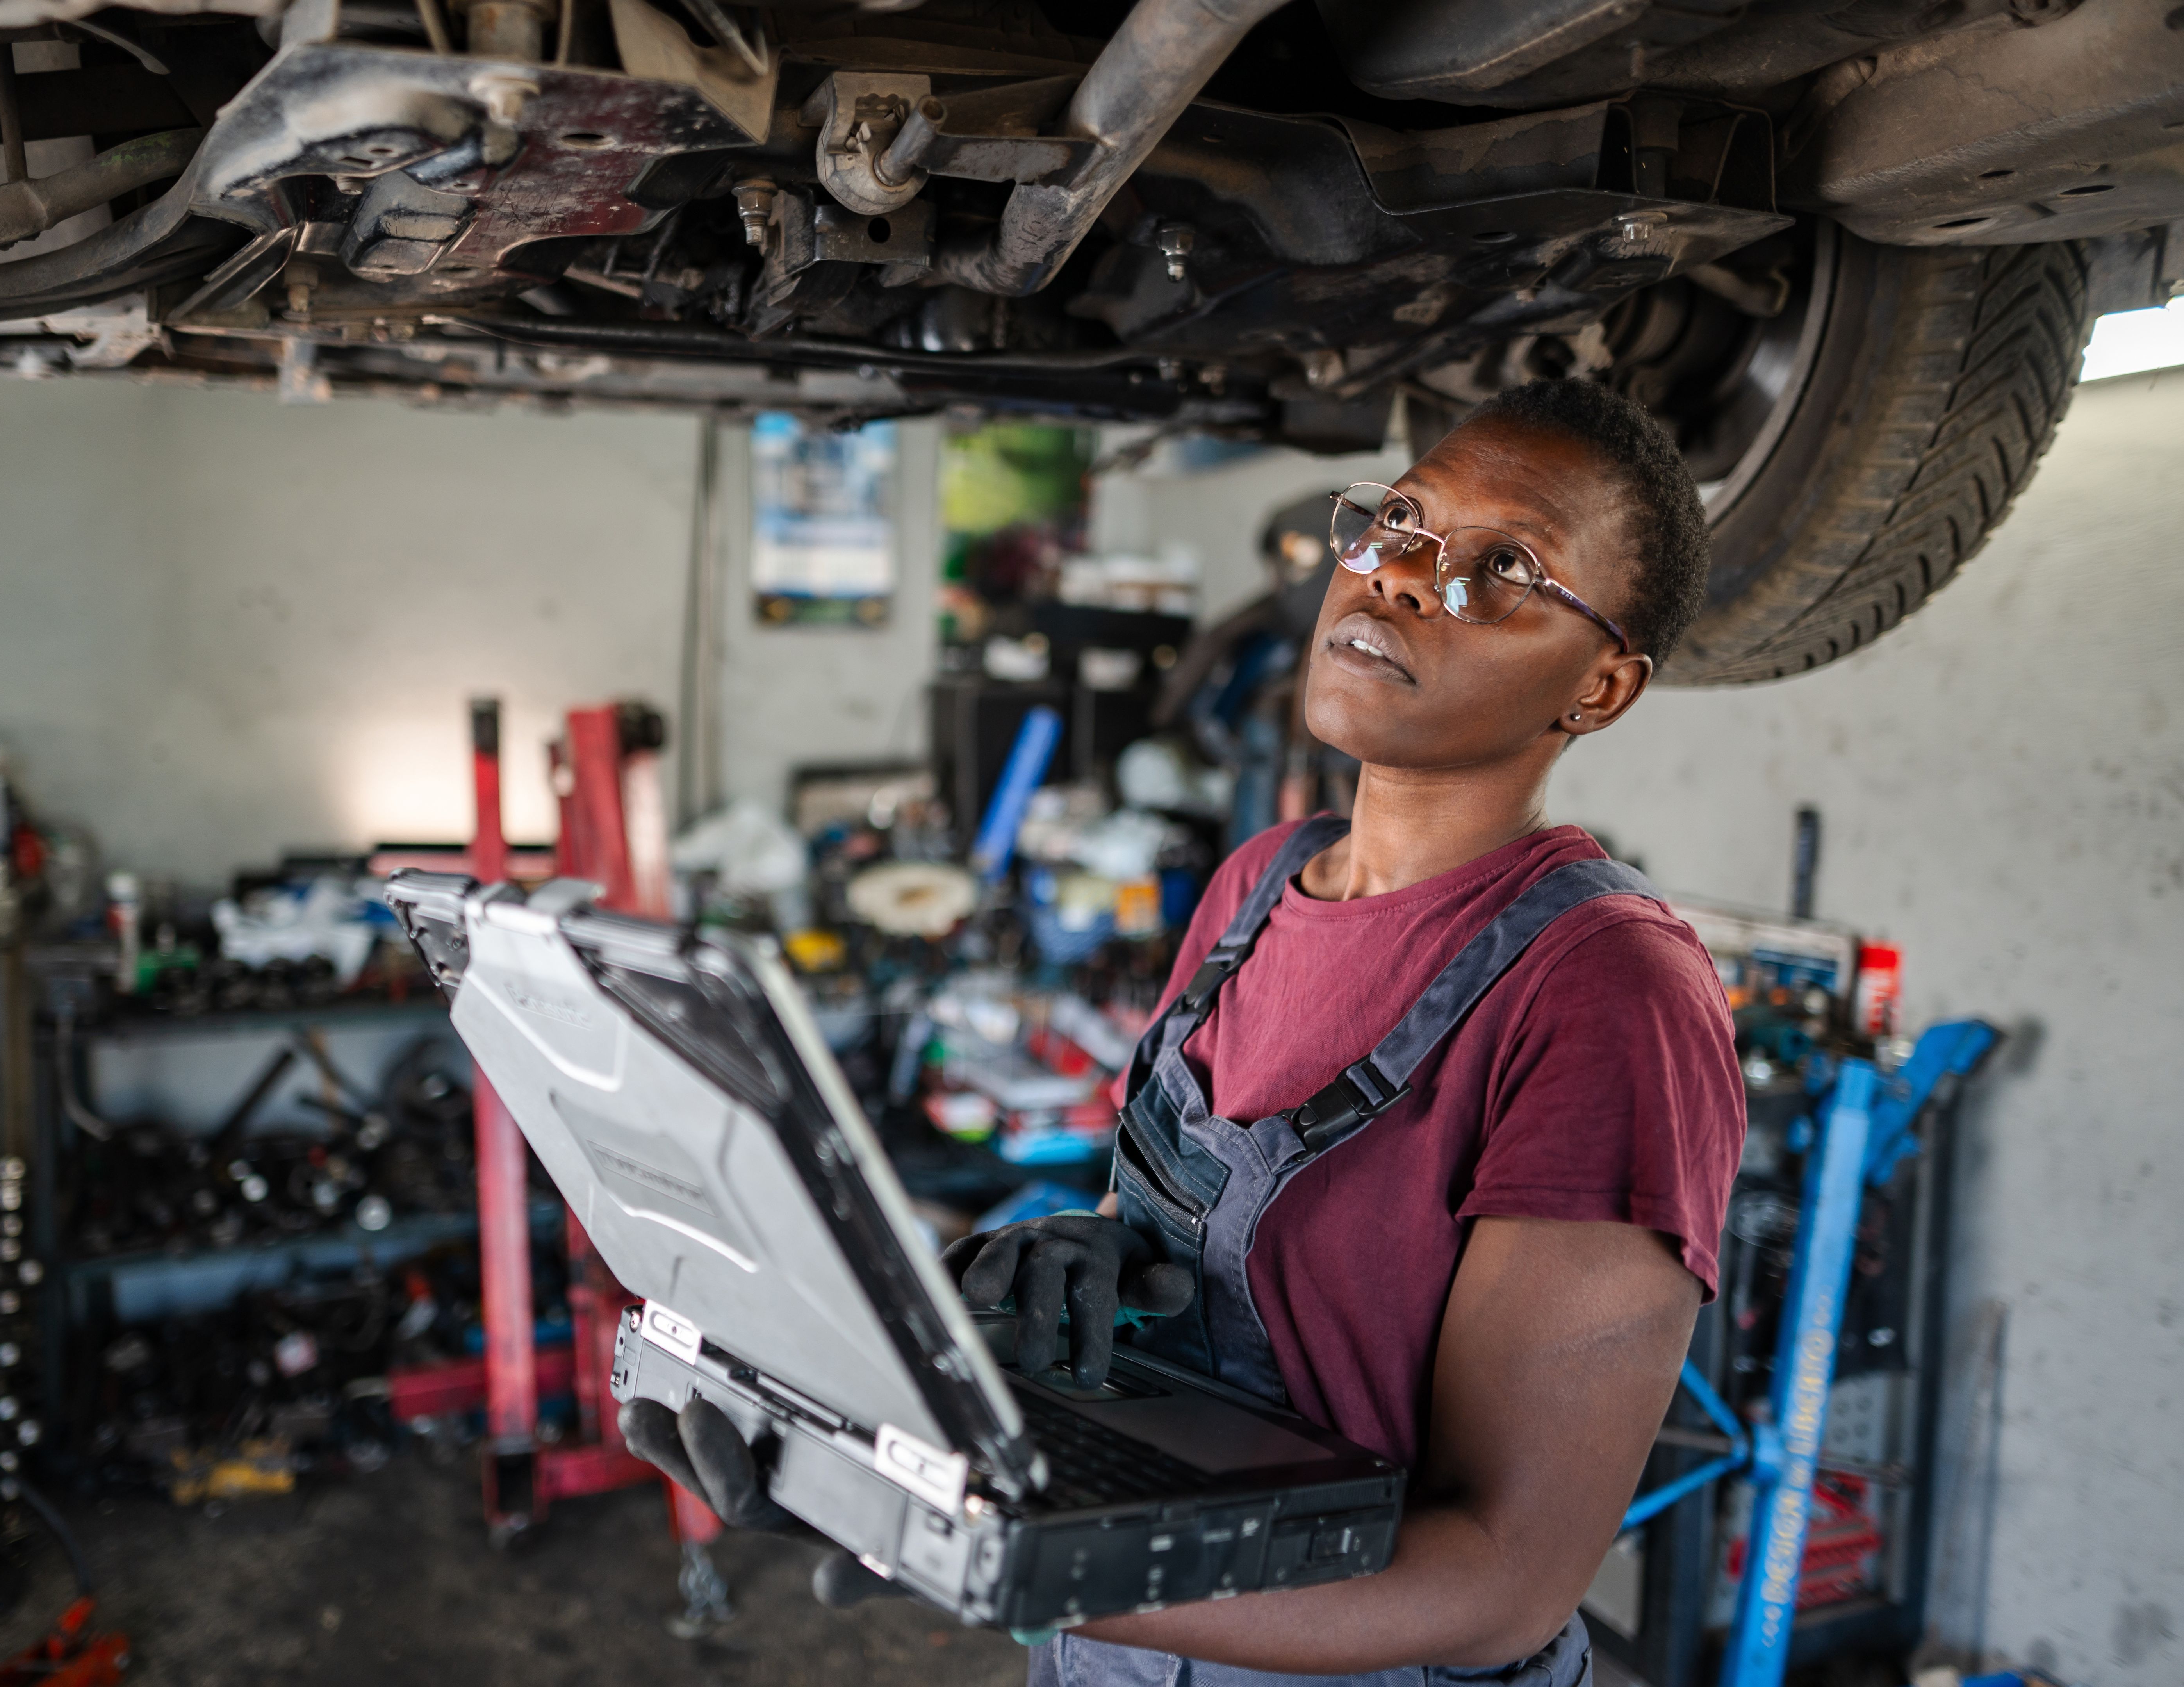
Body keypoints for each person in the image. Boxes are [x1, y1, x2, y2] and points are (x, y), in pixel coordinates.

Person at [627, 378, 1746, 1687]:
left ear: (1602, 687)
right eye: (1399, 521)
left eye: (1504, 568)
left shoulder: (1607, 991)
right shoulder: (1259, 884)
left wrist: (1001, 1555)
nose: (1397, 578)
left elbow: (1502, 1580)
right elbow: (1266, 1285)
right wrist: (1094, 1274)